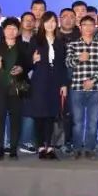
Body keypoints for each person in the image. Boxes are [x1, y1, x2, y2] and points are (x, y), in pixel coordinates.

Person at [0, 17, 32, 160]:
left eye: (14, 28)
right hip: (0, 87)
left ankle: (13, 149)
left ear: (18, 31)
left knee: (15, 118)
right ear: (4, 30)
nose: (11, 31)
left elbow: (28, 64)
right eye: (8, 28)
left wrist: (22, 69)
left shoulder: (23, 46)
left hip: (17, 87)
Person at [27, 11, 67, 160]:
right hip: (39, 81)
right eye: (47, 21)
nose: (50, 24)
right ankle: (40, 146)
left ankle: (49, 146)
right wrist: (33, 59)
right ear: (42, 24)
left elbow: (62, 65)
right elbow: (27, 63)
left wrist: (64, 84)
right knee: (39, 114)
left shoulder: (60, 41)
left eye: (53, 21)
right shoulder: (35, 40)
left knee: (51, 114)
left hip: (55, 81)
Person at [66, 15, 98, 159]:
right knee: (77, 122)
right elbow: (68, 63)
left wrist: (93, 80)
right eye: (85, 25)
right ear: (80, 27)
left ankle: (90, 148)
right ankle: (77, 148)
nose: (88, 28)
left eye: (91, 25)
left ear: (95, 27)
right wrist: (78, 58)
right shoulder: (73, 44)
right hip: (77, 88)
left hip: (95, 88)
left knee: (93, 122)